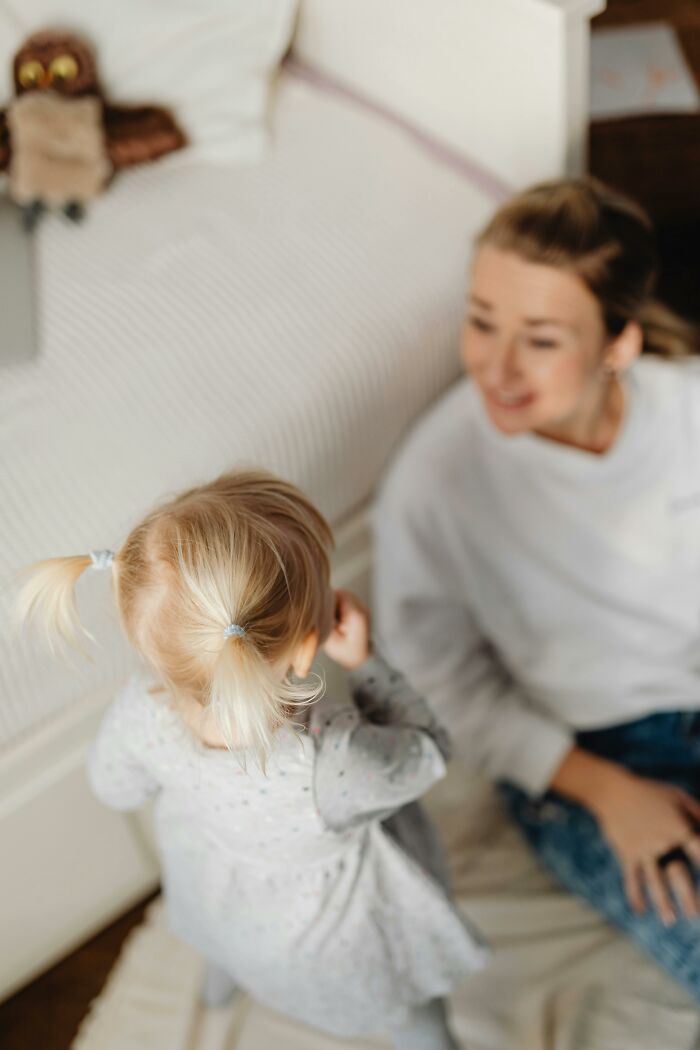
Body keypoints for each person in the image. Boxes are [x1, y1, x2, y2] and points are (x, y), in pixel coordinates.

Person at [18, 469, 486, 1049]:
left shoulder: (142, 707)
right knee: (414, 1010)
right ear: (307, 650)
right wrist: (366, 663)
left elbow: (114, 789)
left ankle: (221, 984)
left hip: (220, 908)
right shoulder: (335, 760)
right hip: (335, 953)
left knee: (228, 944)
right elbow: (429, 751)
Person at [373, 177, 700, 1003]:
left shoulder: (687, 413)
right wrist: (605, 790)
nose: (497, 366)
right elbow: (437, 680)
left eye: (542, 339)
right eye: (482, 321)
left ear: (619, 343)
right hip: (590, 757)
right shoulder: (435, 482)